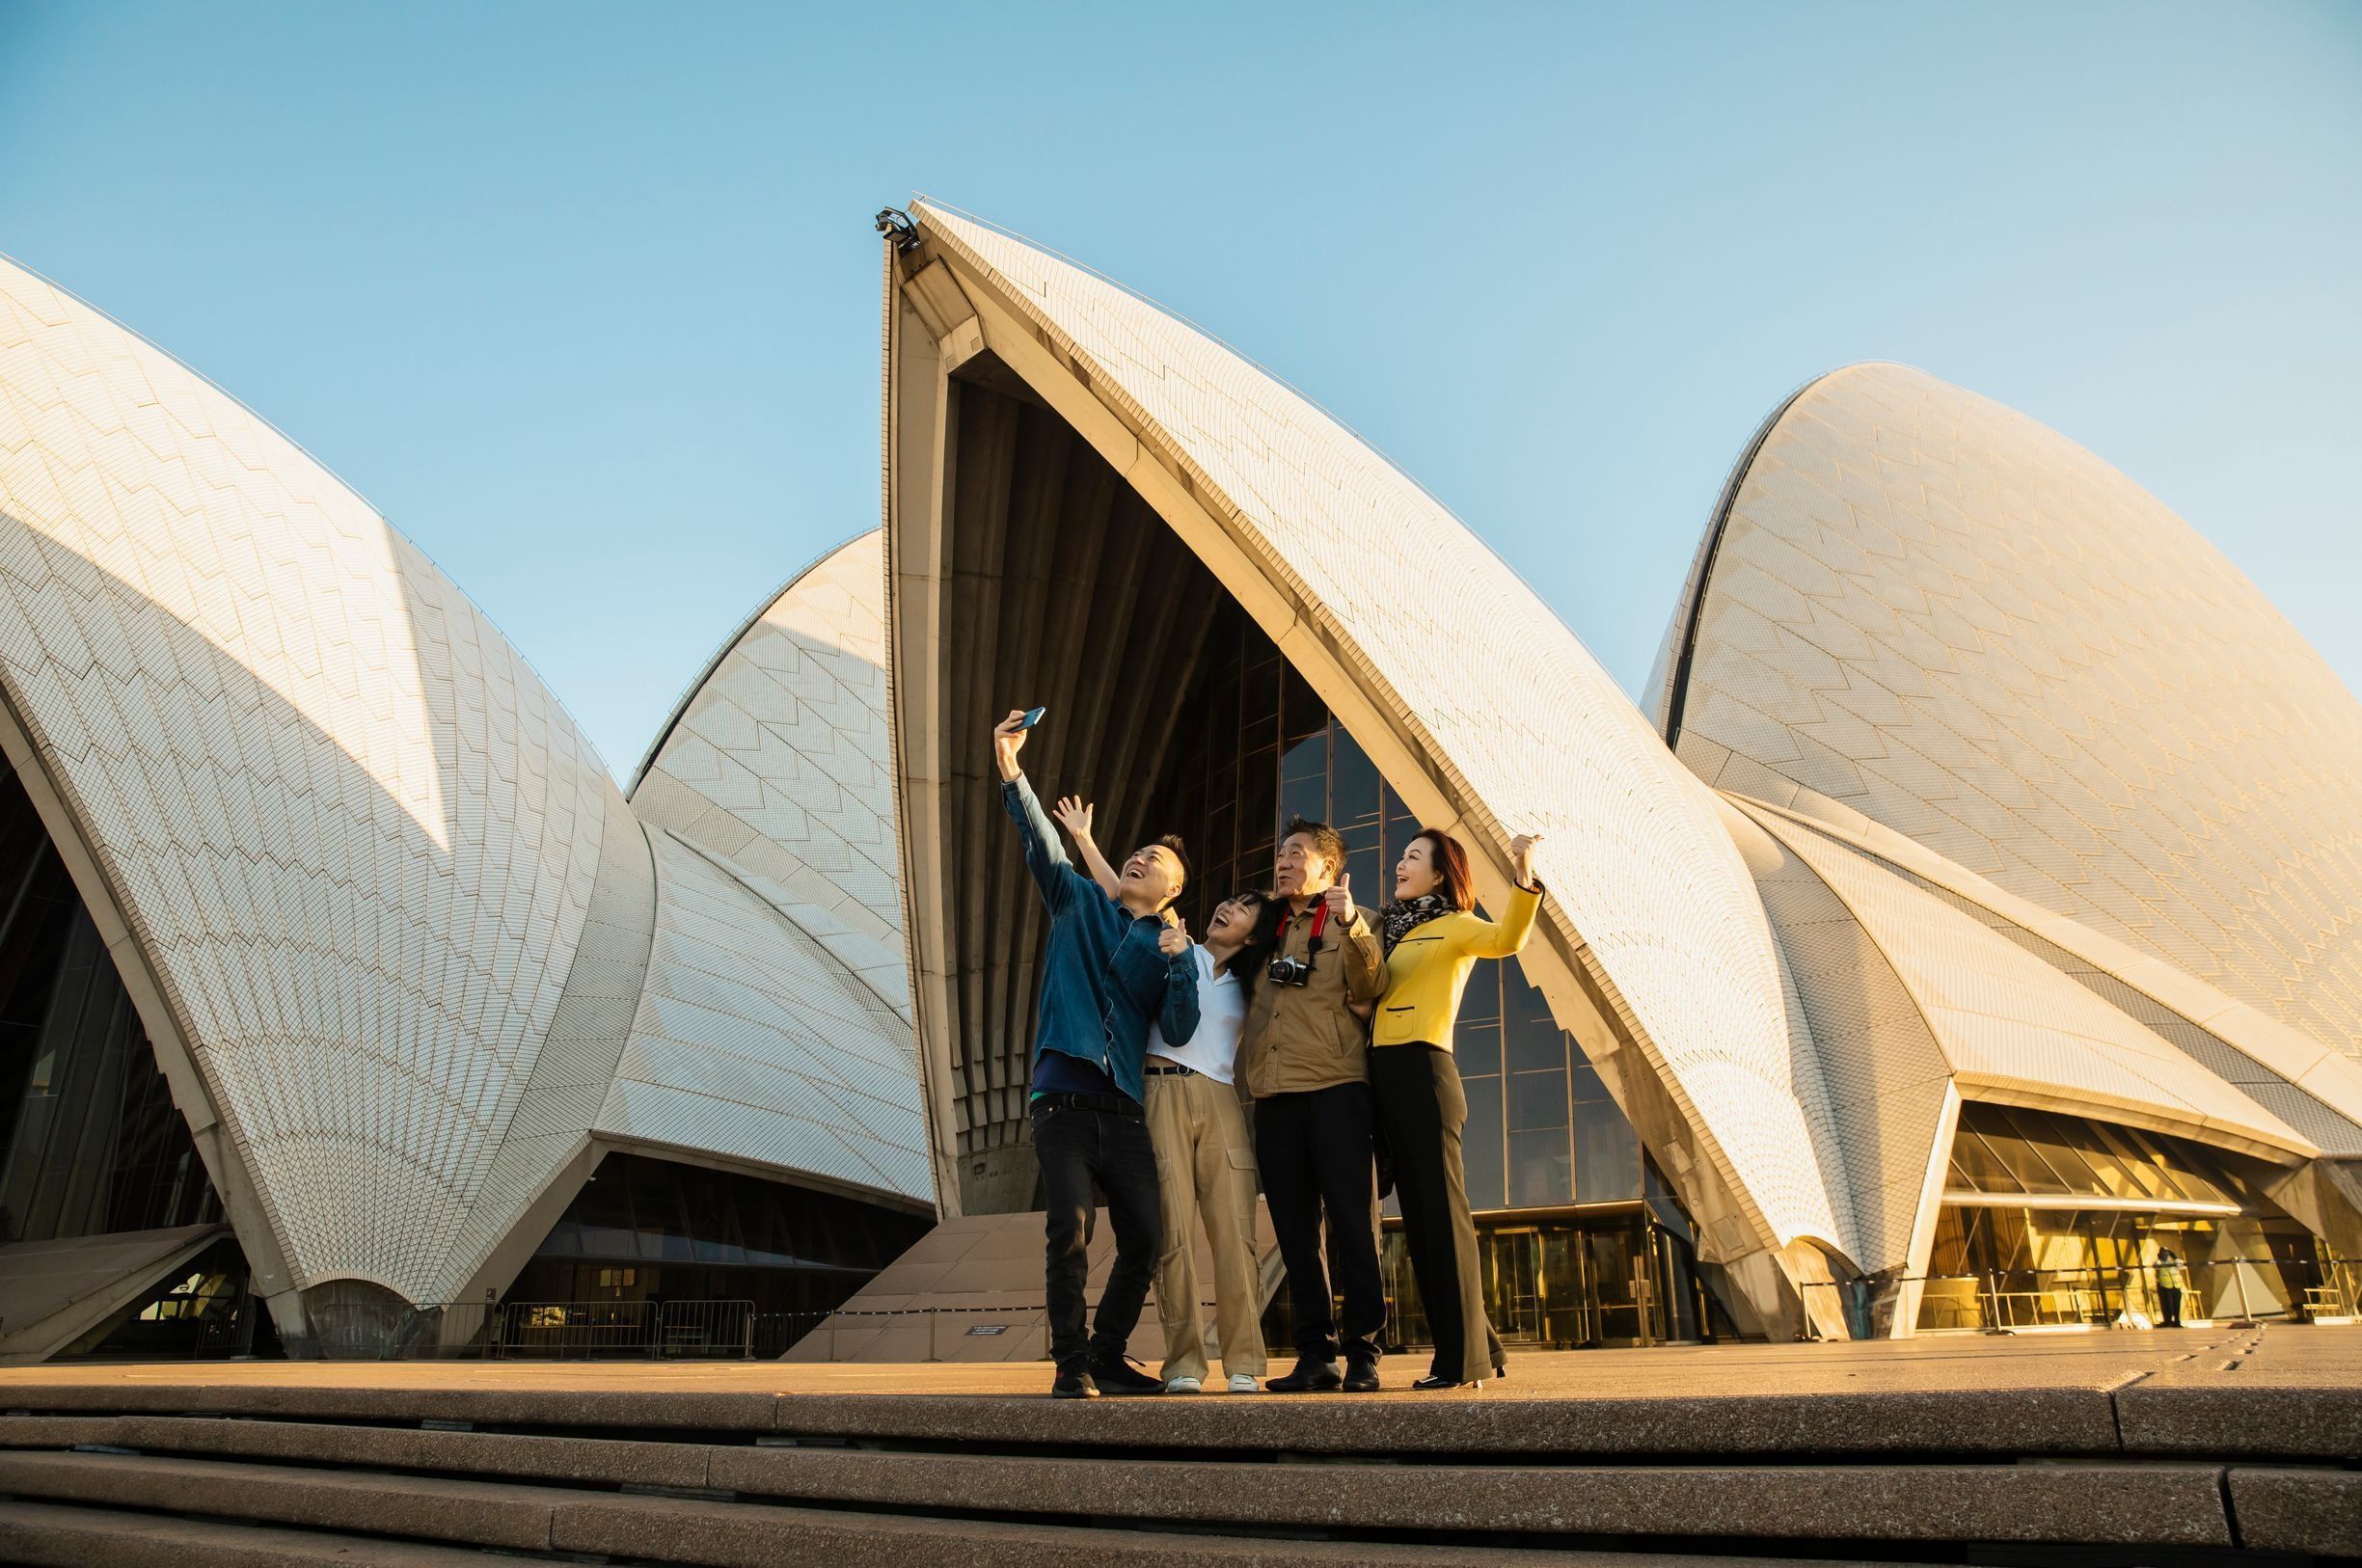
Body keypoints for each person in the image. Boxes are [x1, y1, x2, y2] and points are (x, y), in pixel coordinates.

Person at [991, 710, 1199, 1399]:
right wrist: (1012, 767)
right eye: (1137, 853)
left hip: (1125, 1109)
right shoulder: (1079, 901)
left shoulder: (1165, 948)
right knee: (1068, 1231)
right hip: (1062, 1103)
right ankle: (1071, 1365)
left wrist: (1181, 965)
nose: (1140, 860)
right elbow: (1039, 843)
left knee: (1145, 1236)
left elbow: (1180, 1022)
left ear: (1170, 893)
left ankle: (1107, 1354)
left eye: (1157, 864)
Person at [1051, 794, 1271, 1395]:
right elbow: (1121, 895)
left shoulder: (1255, 987)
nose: (1230, 907)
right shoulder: (1175, 943)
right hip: (1158, 1090)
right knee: (1171, 1234)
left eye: (1246, 908)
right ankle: (1183, 1365)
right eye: (1229, 900)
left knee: (1234, 1234)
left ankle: (1246, 1363)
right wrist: (1085, 841)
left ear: (1257, 936)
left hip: (1221, 1100)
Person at [1370, 827, 1544, 1389]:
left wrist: (1523, 872)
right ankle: (1481, 1345)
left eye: (1414, 857)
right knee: (1421, 1226)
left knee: (1442, 1219)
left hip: (1423, 1069)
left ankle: (1457, 1361)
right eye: (1401, 855)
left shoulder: (1455, 925)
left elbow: (1509, 939)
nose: (1401, 863)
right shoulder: (1390, 929)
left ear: (1440, 874)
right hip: (1384, 1075)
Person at [1241, 816, 1388, 1392]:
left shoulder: (1359, 921)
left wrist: (1349, 921)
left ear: (1330, 868)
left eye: (1296, 853)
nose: (1282, 861)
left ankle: (1363, 1353)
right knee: (1295, 1234)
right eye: (1280, 853)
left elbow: (1372, 986)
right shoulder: (1264, 928)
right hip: (1273, 1096)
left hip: (1337, 1090)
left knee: (1354, 1228)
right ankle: (1315, 1354)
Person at [2156, 1246, 2186, 1328]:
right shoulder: (2159, 1262)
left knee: (2177, 1305)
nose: (2165, 1255)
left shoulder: (2173, 1261)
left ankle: (2177, 1321)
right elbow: (2156, 1266)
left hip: (2176, 1286)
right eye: (2163, 1253)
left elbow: (2182, 1266)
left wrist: (2175, 1257)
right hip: (2165, 1287)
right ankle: (2168, 1321)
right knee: (2168, 1306)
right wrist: (2159, 1258)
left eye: (2167, 1253)